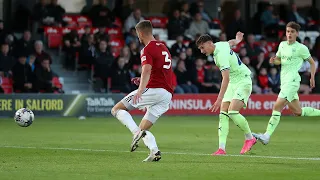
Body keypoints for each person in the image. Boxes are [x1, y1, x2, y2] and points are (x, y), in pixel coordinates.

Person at [111, 20, 173, 162]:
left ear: (140, 33)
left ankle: (135, 133)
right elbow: (160, 70)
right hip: (166, 95)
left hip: (155, 90)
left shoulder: (147, 49)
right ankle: (154, 151)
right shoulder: (163, 46)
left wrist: (141, 89)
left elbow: (146, 69)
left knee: (116, 109)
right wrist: (143, 80)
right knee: (144, 129)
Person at [252, 22, 320, 145]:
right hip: (284, 82)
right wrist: (274, 61)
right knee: (297, 112)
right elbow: (279, 60)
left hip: (293, 81)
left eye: (292, 32)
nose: (289, 34)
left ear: (297, 34)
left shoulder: (301, 48)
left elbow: (312, 63)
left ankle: (266, 136)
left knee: (277, 106)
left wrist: (312, 77)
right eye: (288, 31)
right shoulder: (282, 45)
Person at [196, 32, 256, 155]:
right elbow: (231, 43)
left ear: (209, 43)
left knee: (233, 112)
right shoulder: (221, 45)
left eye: (202, 47)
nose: (202, 51)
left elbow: (225, 78)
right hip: (233, 83)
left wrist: (219, 99)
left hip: (242, 80)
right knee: (223, 113)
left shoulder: (221, 56)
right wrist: (238, 39)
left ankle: (250, 138)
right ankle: (221, 149)